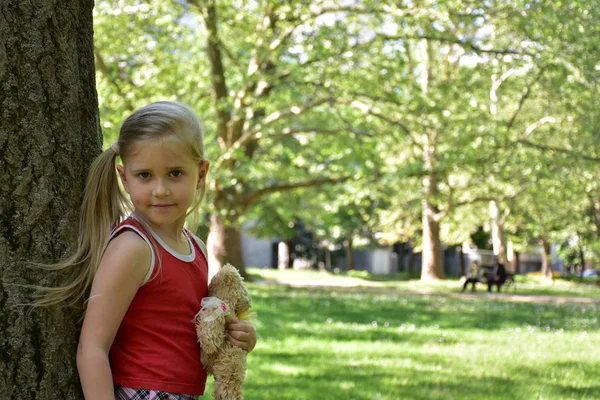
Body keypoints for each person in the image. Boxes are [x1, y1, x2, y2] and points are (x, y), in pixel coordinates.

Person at [37, 102, 256, 399]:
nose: (161, 190)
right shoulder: (134, 247)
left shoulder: (196, 248)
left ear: (201, 173)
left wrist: (240, 338)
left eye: (175, 173)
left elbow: (195, 331)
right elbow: (92, 348)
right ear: (124, 177)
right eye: (145, 175)